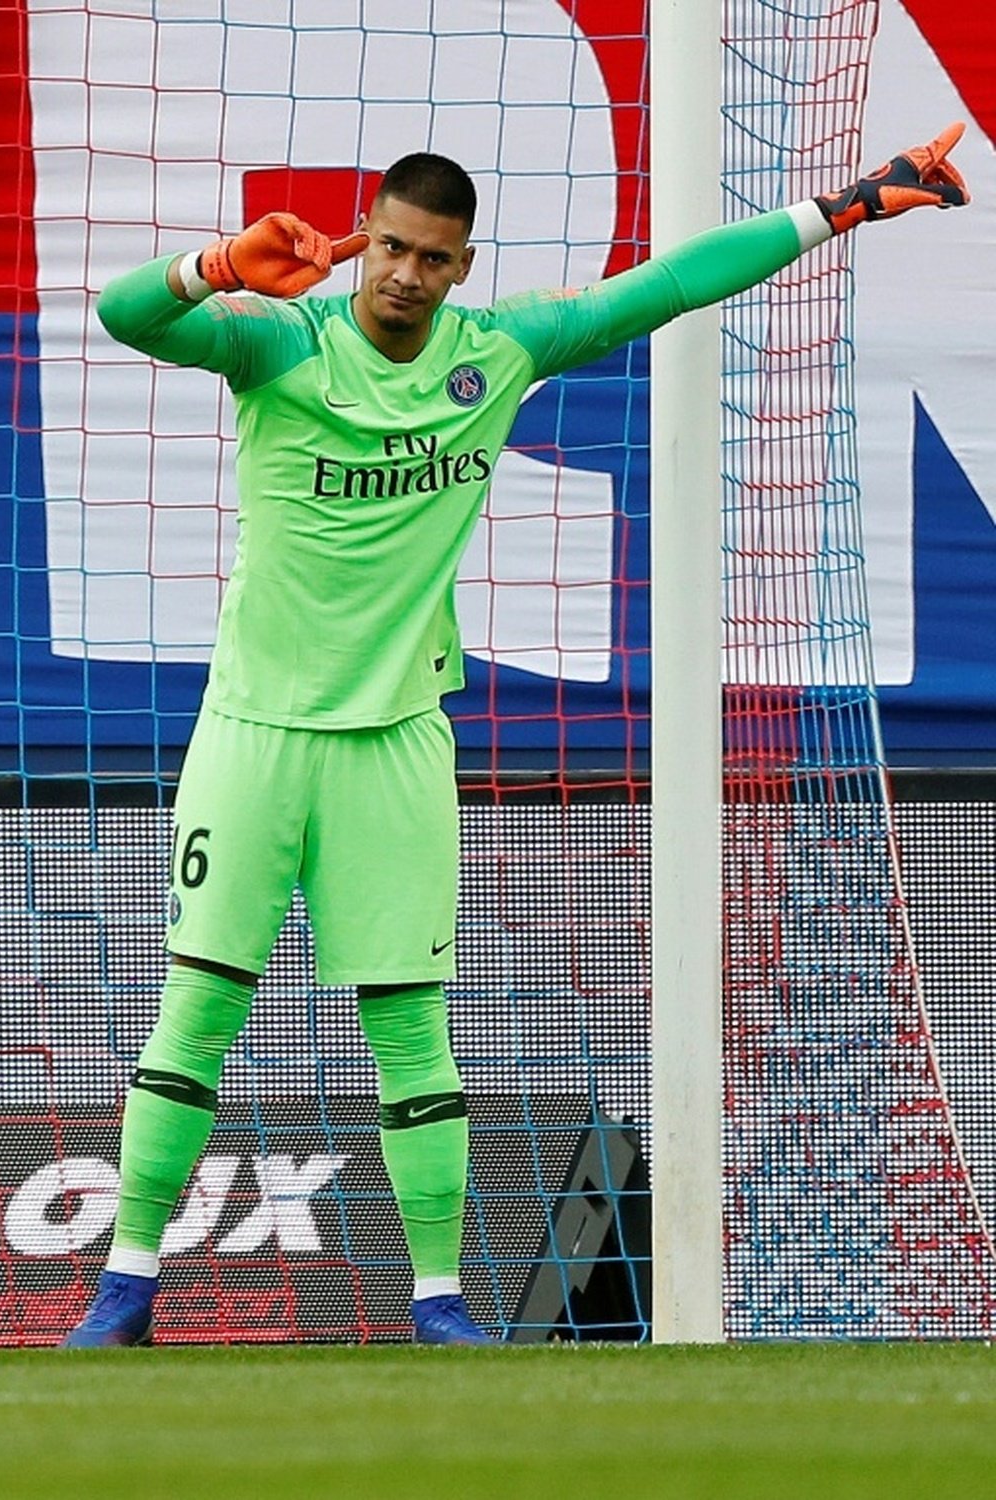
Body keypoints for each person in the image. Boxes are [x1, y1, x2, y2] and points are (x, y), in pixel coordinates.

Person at [61, 125, 969, 1347]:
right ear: (363, 239)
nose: (403, 275)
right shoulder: (282, 345)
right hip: (252, 734)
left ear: (459, 265)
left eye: (431, 259)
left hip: (394, 742)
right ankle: (123, 1291)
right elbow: (126, 317)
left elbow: (669, 283)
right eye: (388, 247)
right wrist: (215, 265)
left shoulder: (497, 354)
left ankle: (438, 1306)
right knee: (199, 1011)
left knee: (410, 1026)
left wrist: (845, 206)